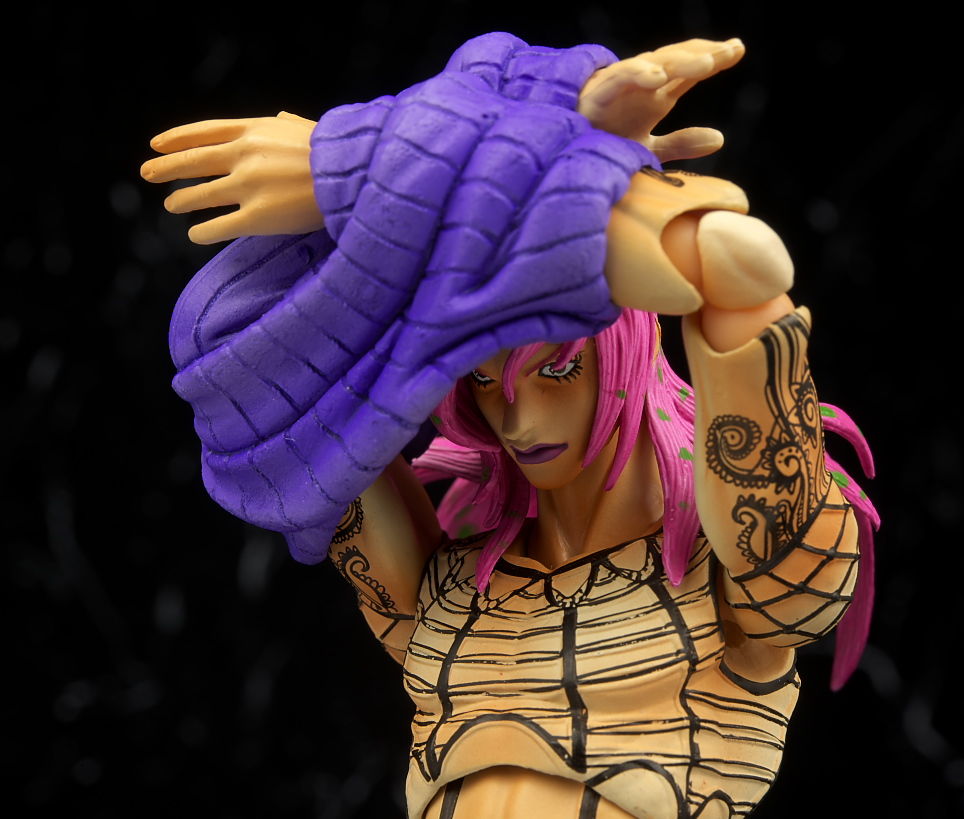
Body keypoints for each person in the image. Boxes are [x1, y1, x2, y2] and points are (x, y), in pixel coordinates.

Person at [142, 33, 877, 819]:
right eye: (485, 381)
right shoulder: (449, 587)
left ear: (625, 346)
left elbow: (739, 264)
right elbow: (241, 363)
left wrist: (371, 164)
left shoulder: (731, 581)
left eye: (557, 369)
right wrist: (397, 177)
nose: (518, 417)